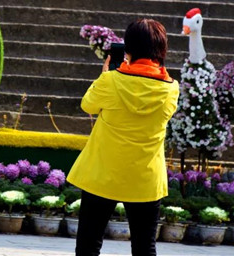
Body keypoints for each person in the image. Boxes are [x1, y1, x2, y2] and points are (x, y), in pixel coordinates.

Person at [67, 18, 179, 256]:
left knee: (88, 246)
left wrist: (105, 76)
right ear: (161, 49)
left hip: (102, 174)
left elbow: (88, 105)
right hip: (145, 179)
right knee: (144, 248)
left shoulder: (111, 81)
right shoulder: (171, 89)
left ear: (129, 47)